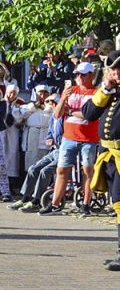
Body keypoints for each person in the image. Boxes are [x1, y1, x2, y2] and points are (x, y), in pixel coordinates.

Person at [41, 61, 100, 216]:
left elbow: (90, 116)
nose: (79, 77)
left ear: (91, 75)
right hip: (69, 137)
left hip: (88, 138)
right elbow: (58, 114)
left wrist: (72, 111)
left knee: (87, 170)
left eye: (83, 74)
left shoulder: (95, 93)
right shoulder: (70, 90)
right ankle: (55, 204)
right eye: (77, 74)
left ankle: (86, 204)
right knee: (61, 170)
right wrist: (63, 99)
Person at [81, 50, 120, 270]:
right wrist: (105, 89)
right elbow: (89, 113)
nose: (117, 73)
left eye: (119, 69)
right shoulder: (109, 92)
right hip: (110, 157)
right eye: (113, 69)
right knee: (117, 203)